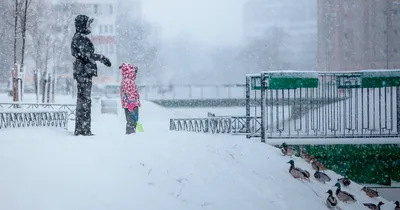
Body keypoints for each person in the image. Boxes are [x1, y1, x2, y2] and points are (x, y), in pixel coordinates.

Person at [71, 14, 112, 136]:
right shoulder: (79, 38)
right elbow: (87, 55)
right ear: (82, 25)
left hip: (84, 72)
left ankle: (83, 129)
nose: (90, 26)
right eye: (88, 24)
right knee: (84, 101)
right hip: (83, 72)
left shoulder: (80, 37)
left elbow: (86, 54)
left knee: (85, 101)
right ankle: (83, 130)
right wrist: (102, 58)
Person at [119, 63, 141, 134]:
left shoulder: (125, 80)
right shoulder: (129, 81)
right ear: (130, 72)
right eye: (134, 72)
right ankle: (131, 134)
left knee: (131, 121)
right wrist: (132, 104)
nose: (135, 74)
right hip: (131, 104)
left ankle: (131, 133)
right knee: (132, 121)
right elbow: (130, 94)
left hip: (129, 104)